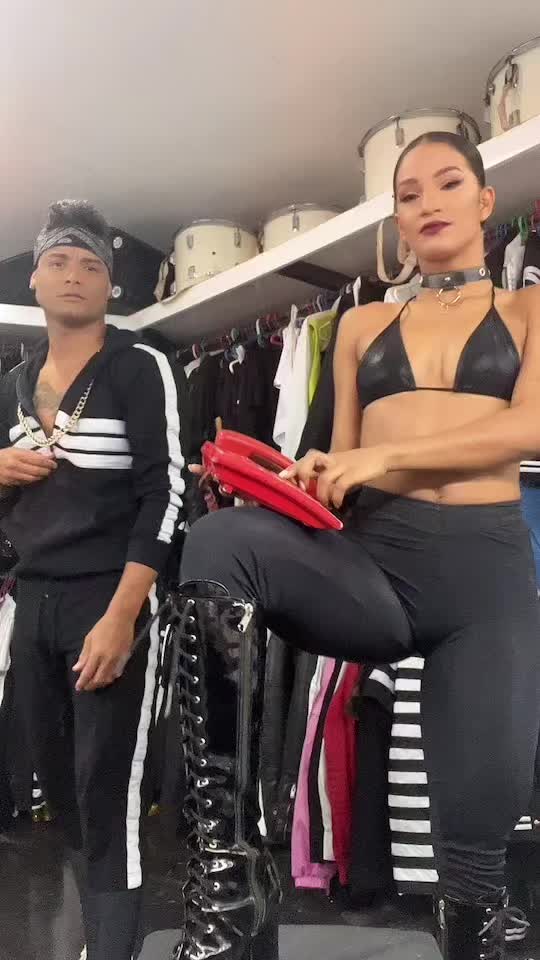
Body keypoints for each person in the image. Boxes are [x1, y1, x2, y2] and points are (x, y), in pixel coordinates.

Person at [171, 132, 540, 960]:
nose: (428, 202)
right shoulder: (360, 324)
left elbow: (531, 425)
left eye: (449, 183)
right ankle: (228, 876)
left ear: (485, 202)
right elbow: (342, 469)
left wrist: (384, 456)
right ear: (397, 222)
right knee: (222, 541)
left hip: (485, 579)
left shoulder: (529, 310)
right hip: (377, 563)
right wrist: (302, 480)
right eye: (409, 194)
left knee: (477, 836)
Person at [0, 200, 184, 960]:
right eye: (58, 262)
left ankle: (112, 950)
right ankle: (98, 940)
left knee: (107, 791)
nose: (73, 275)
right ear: (34, 279)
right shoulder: (12, 386)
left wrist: (123, 614)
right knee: (58, 789)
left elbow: (166, 492)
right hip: (33, 603)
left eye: (90, 265)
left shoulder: (137, 366)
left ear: (111, 286)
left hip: (109, 597)